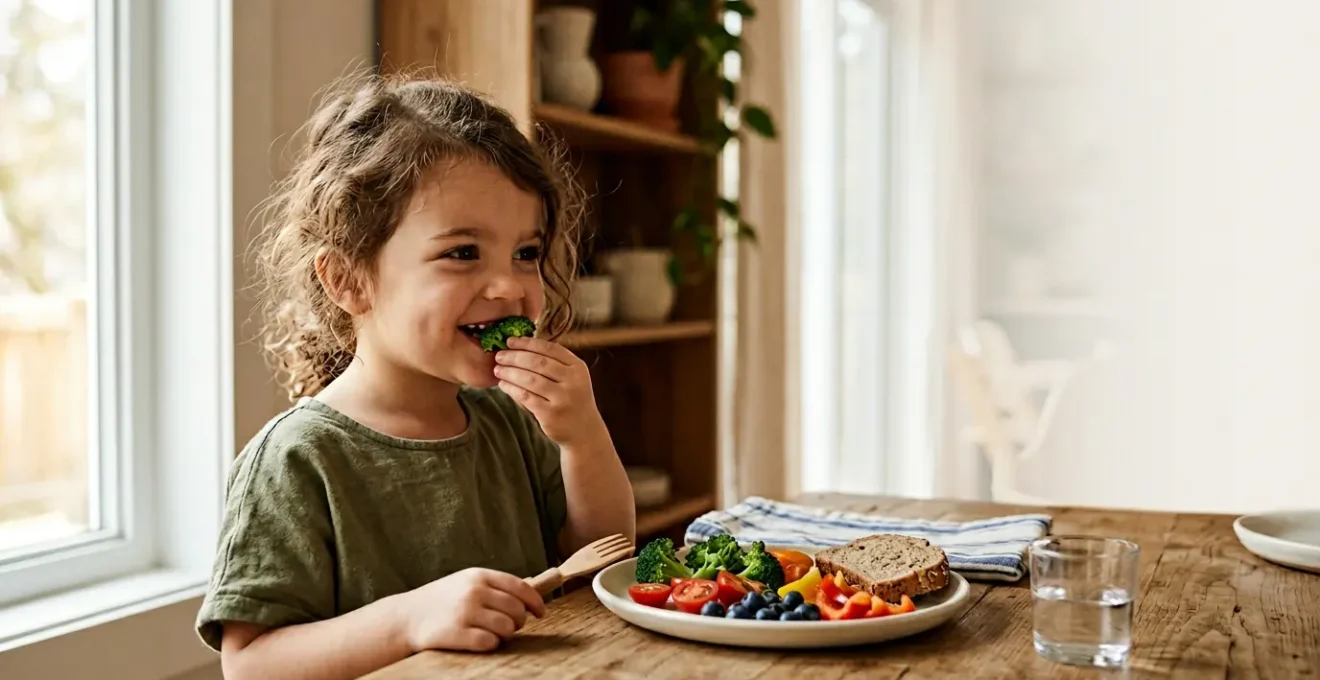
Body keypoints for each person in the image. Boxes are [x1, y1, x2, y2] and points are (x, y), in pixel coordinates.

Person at [195, 72, 636, 680]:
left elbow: (599, 559)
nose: (510, 285)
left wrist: (582, 435)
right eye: (462, 253)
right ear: (349, 280)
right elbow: (250, 664)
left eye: (526, 253)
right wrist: (409, 620)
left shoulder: (510, 419)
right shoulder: (297, 458)